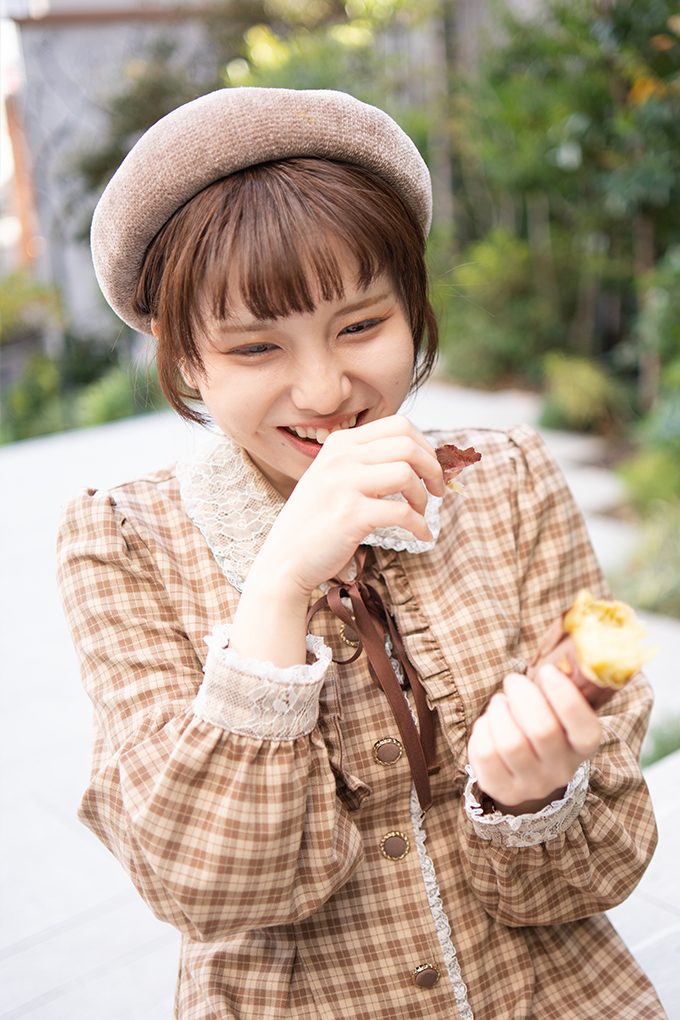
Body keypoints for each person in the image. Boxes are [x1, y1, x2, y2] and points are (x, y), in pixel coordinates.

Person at [57, 87, 666, 1020]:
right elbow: (201, 887)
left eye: (360, 326)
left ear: (411, 308)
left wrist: (532, 798)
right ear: (184, 360)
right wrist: (280, 583)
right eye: (255, 347)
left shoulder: (509, 479)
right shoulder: (120, 542)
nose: (323, 390)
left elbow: (612, 854)